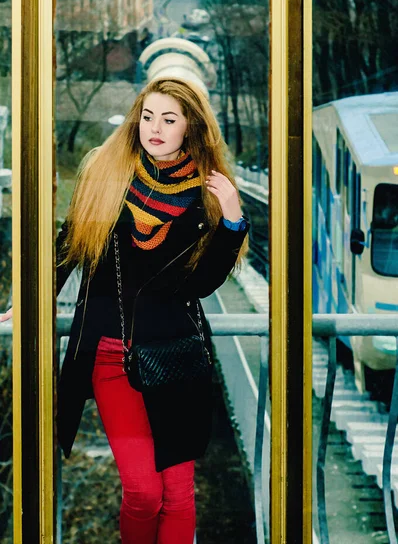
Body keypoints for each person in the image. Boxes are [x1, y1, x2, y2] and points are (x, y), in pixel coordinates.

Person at [2, 76, 249, 544]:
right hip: (111, 354)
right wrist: (28, 299)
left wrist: (232, 220)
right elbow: (67, 247)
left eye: (169, 119)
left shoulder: (207, 192)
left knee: (179, 496)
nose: (154, 128)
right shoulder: (108, 172)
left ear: (189, 127)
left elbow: (201, 283)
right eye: (147, 117)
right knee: (143, 492)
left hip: (174, 357)